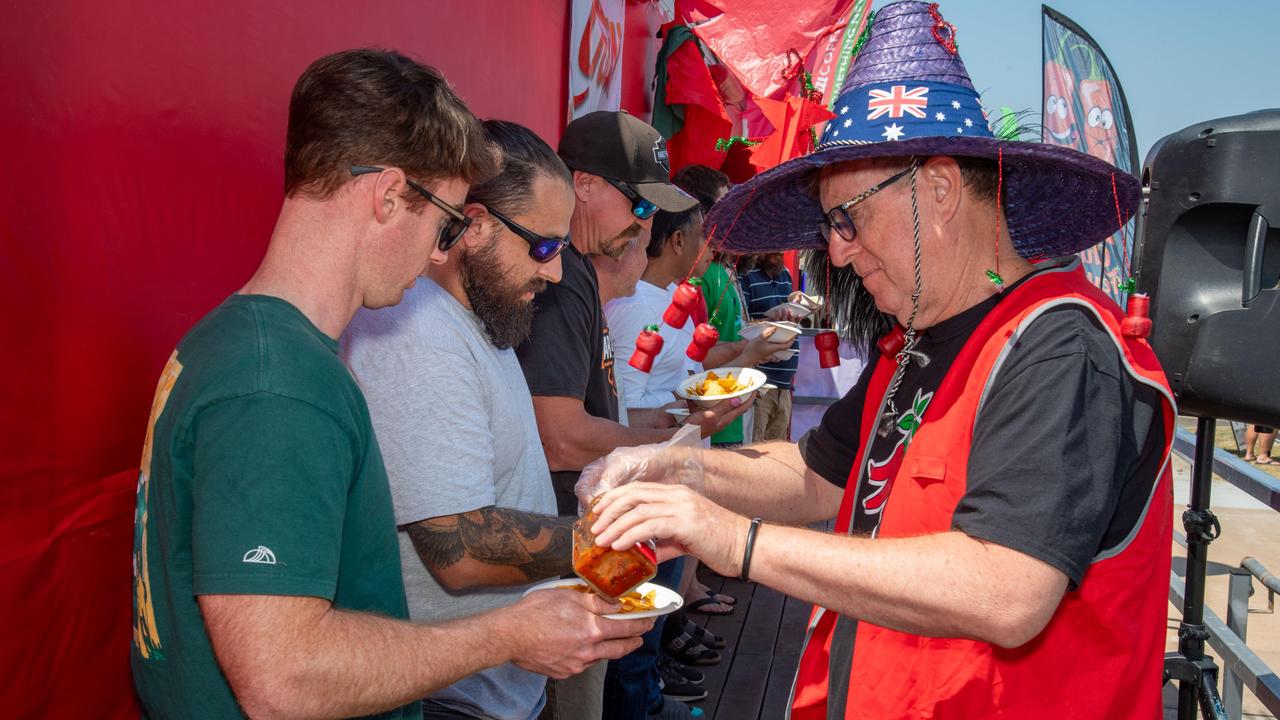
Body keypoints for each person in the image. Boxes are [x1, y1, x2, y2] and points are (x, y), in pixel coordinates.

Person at [583, 3, 1175, 718]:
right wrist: (677, 466)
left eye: (846, 218)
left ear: (941, 190)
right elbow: (817, 472)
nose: (834, 251)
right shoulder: (917, 340)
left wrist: (731, 538)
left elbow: (1008, 587)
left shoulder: (1060, 345)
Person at [130, 51, 650, 720]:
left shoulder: (244, 347)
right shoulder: (278, 386)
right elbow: (284, 679)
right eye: (446, 222)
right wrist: (511, 633)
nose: (442, 251)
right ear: (386, 196)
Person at [342, 120, 593, 720]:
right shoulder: (421, 330)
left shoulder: (478, 314)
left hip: (494, 689)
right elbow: (459, 549)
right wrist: (623, 541)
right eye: (544, 247)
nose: (555, 273)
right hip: (448, 699)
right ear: (475, 226)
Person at [516, 110, 744, 720]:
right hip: (556, 550)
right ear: (583, 187)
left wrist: (668, 431)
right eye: (639, 208)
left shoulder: (579, 280)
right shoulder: (563, 281)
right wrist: (669, 446)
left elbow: (594, 413)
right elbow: (560, 438)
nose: (643, 228)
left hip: (575, 541)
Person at [739, 252, 801, 442]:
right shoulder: (747, 275)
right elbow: (742, 326)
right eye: (772, 245)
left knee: (777, 454)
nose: (778, 250)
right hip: (760, 385)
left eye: (781, 246)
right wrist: (772, 320)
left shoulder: (786, 275)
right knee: (754, 451)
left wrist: (797, 311)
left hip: (785, 386)